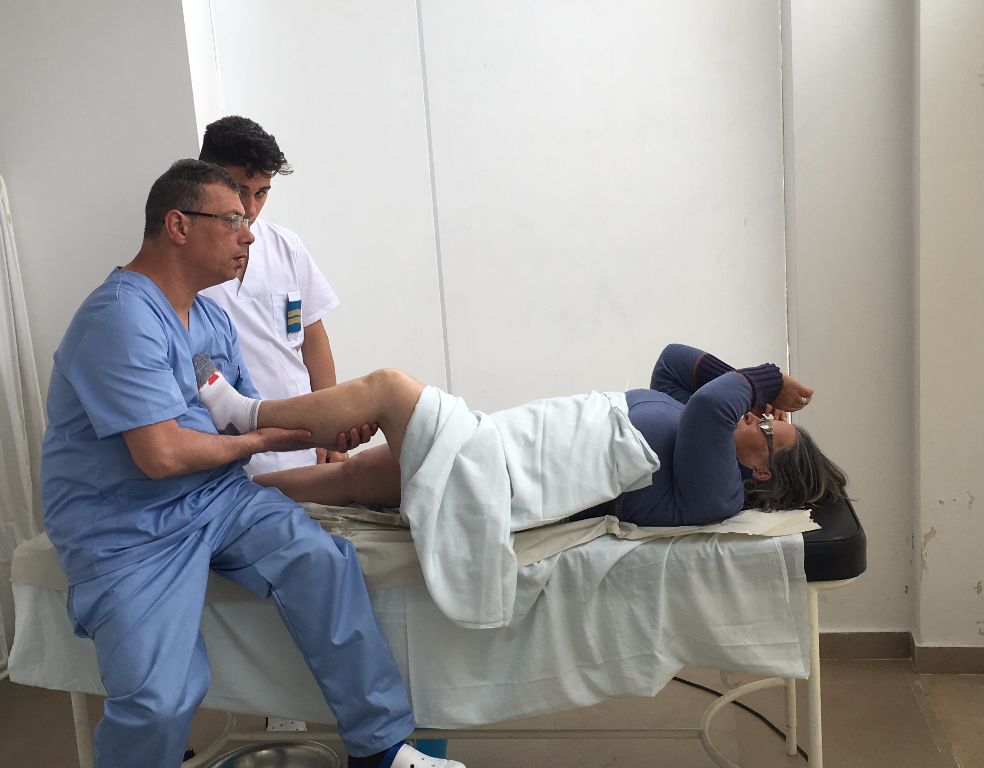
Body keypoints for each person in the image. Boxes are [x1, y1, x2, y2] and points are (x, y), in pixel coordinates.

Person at [40, 159, 466, 768]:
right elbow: (162, 455)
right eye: (233, 220)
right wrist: (263, 442)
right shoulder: (119, 317)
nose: (249, 235)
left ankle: (380, 749)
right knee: (161, 699)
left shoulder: (210, 318)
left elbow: (238, 417)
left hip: (217, 497)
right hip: (127, 527)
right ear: (178, 225)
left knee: (322, 562)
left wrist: (325, 430)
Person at [192, 343, 848, 526]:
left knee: (389, 388)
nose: (757, 416)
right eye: (766, 413)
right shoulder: (694, 424)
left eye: (768, 429)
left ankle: (245, 416)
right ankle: (225, 500)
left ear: (763, 471)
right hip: (500, 445)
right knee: (353, 477)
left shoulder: (717, 489)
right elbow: (675, 362)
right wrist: (756, 386)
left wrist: (767, 380)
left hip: (501, 480)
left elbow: (710, 405)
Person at [199, 115, 345, 474]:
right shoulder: (190, 261)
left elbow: (313, 339)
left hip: (307, 449)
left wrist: (331, 427)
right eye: (239, 190)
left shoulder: (286, 246)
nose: (250, 209)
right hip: (233, 464)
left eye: (261, 193)